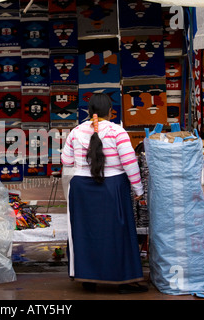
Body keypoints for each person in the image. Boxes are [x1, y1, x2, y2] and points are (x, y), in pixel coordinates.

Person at [61, 93, 147, 294]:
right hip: (113, 187)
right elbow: (130, 164)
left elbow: (66, 161)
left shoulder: (75, 132)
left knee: (85, 233)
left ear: (89, 112)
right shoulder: (118, 132)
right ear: (110, 111)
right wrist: (139, 190)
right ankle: (123, 281)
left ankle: (88, 280)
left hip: (81, 189)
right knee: (119, 233)